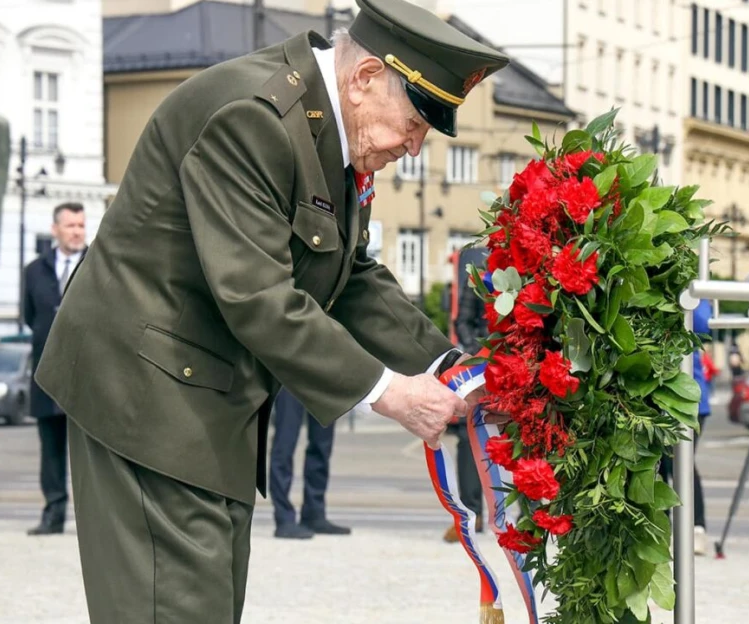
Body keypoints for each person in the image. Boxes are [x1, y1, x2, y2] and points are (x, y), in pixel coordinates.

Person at [32, 0, 511, 620]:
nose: (415, 148)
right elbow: (256, 293)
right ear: (365, 78)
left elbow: (350, 276)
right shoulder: (255, 116)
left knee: (203, 606)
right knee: (172, 609)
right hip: (146, 402)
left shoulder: (321, 132)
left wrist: (450, 366)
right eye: (417, 120)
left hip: (197, 401)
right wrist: (390, 391)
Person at [22, 202, 86, 536]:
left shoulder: (97, 264)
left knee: (90, 456)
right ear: (55, 229)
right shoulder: (34, 270)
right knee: (51, 452)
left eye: (81, 225)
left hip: (88, 375)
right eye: (71, 225)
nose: (77, 231)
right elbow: (31, 317)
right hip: (47, 374)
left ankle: (95, 522)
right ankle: (53, 515)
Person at [443, 246, 489, 543]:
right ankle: (471, 516)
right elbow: (463, 321)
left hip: (521, 363)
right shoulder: (481, 275)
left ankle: (530, 520)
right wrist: (479, 356)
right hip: (482, 366)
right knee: (467, 437)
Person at [660, 298, 711, 555]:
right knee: (659, 464)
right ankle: (666, 526)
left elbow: (703, 324)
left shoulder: (692, 288)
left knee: (681, 463)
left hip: (689, 398)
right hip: (657, 395)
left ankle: (695, 528)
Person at [269, 388, 349, 539]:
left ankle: (314, 514)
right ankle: (284, 518)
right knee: (285, 443)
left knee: (322, 445)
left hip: (324, 376)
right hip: (289, 374)